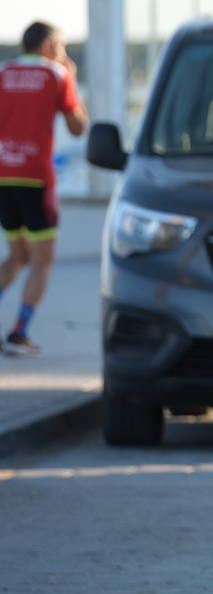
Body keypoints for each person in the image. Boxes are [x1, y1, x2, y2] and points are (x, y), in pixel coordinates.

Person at [0, 21, 89, 357]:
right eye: (62, 45)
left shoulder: (3, 71)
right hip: (36, 177)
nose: (63, 53)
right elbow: (78, 127)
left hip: (3, 175)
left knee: (18, 255)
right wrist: (72, 78)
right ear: (49, 44)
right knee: (42, 260)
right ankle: (19, 333)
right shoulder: (55, 74)